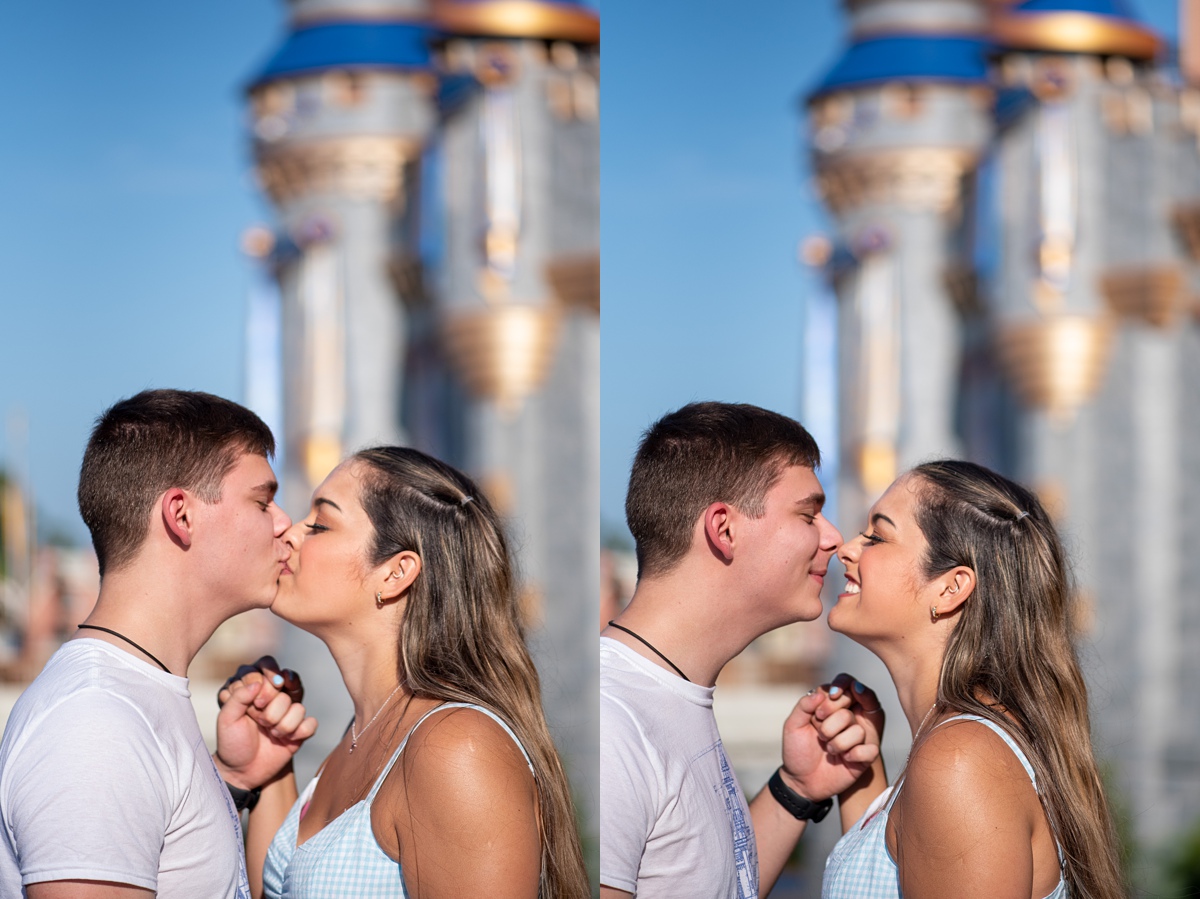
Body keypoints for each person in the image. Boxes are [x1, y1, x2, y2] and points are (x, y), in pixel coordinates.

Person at [221, 446, 589, 899]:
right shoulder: (358, 737)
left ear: (396, 573)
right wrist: (271, 766)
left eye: (320, 523)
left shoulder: (455, 748)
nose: (289, 533)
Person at [0, 389, 316, 899]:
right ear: (181, 515)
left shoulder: (128, 702)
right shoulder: (96, 725)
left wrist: (232, 781)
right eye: (262, 500)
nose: (284, 524)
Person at [601, 402, 885, 899]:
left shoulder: (665, 695)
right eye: (809, 513)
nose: (834, 538)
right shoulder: (616, 724)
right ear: (724, 529)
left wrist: (796, 790)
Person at [824, 460, 1125, 899]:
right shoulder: (964, 752)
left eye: (877, 535)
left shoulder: (960, 762)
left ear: (950, 587)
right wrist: (859, 775)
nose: (846, 549)